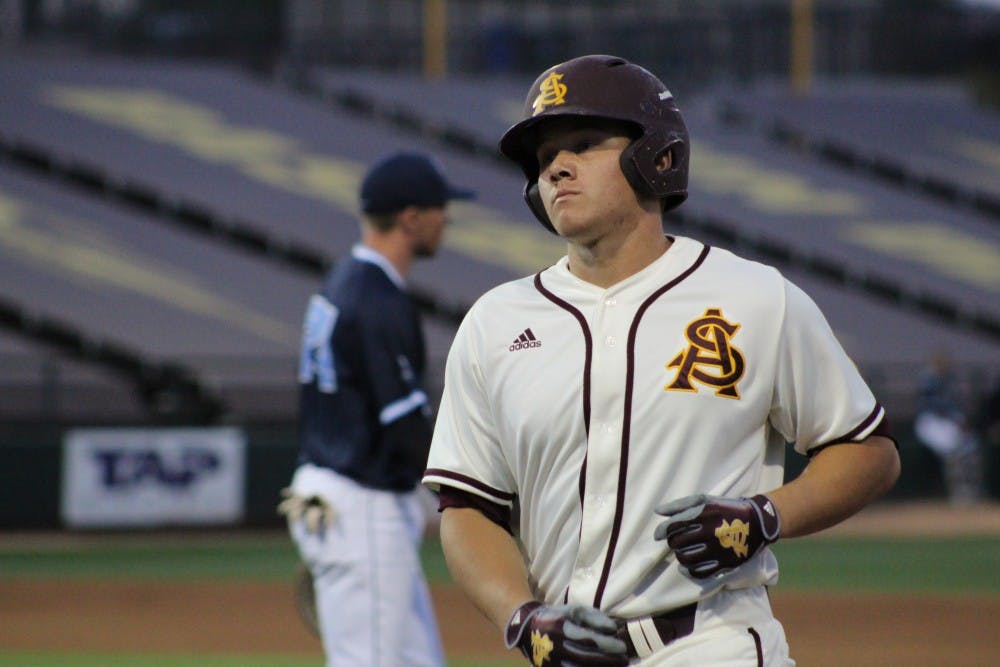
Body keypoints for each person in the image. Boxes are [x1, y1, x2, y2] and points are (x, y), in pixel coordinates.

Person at [422, 55, 900, 666]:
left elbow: (869, 449)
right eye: (543, 159)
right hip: (568, 655)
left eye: (585, 144)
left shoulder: (755, 297)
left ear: (659, 157)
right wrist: (523, 617)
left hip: (711, 642)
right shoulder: (495, 322)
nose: (557, 167)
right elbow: (468, 508)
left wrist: (764, 515)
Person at [280, 150, 475, 667]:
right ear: (411, 219)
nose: (446, 218)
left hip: (337, 490)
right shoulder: (377, 299)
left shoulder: (342, 281)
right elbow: (406, 427)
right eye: (439, 207)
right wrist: (469, 498)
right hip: (361, 506)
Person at [913, 351, 984, 505]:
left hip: (947, 423)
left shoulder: (948, 380)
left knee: (970, 447)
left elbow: (953, 407)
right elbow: (936, 406)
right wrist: (956, 419)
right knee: (953, 452)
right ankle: (959, 492)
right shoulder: (928, 380)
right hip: (930, 422)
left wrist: (959, 419)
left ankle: (970, 489)